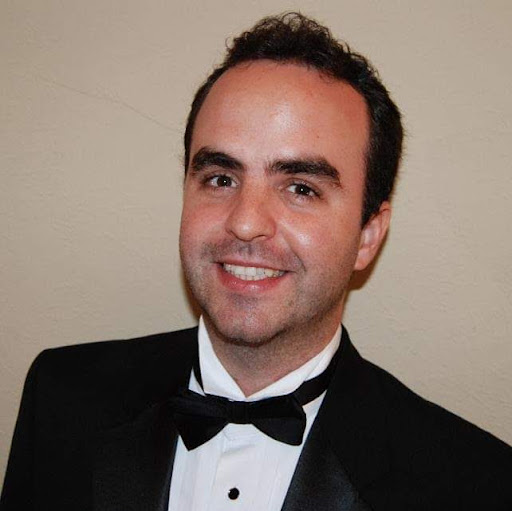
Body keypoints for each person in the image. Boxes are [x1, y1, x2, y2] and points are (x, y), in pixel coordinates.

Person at [2, 12, 511, 511]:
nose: (245, 223)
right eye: (221, 178)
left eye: (300, 188)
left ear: (367, 236)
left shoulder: (476, 485)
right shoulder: (62, 396)